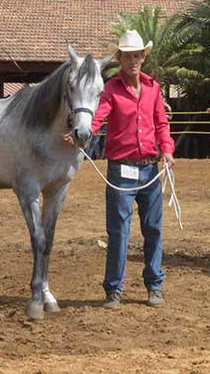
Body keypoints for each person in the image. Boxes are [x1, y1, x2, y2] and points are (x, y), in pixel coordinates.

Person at [64, 29, 175, 310]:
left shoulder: (153, 88)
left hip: (150, 169)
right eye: (127, 56)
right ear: (121, 59)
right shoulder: (111, 89)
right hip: (121, 171)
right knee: (119, 232)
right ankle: (113, 289)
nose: (132, 61)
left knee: (153, 230)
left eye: (136, 55)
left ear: (142, 57)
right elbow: (98, 118)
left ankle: (154, 285)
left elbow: (161, 123)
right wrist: (82, 134)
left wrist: (168, 150)